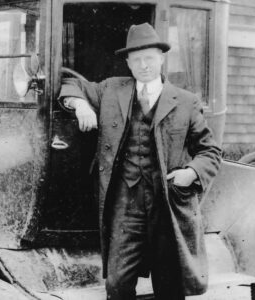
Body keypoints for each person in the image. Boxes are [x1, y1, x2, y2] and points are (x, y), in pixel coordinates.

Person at [58, 23, 222, 300]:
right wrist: (81, 105)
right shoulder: (111, 90)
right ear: (128, 63)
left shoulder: (185, 101)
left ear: (161, 58)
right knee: (118, 284)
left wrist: (191, 173)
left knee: (169, 285)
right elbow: (70, 85)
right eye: (137, 59)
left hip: (168, 205)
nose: (144, 65)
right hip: (125, 204)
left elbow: (211, 151)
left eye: (149, 58)